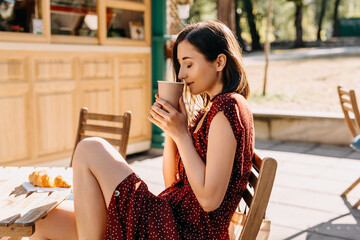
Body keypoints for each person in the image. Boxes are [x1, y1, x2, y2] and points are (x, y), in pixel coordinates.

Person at [30, 20, 254, 240]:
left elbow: (209, 200)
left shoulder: (228, 107)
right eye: (180, 65)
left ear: (219, 62)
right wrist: (171, 131)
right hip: (169, 219)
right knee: (42, 222)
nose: (181, 75)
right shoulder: (213, 109)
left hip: (184, 231)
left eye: (189, 64)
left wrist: (181, 134)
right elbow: (172, 184)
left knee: (90, 148)